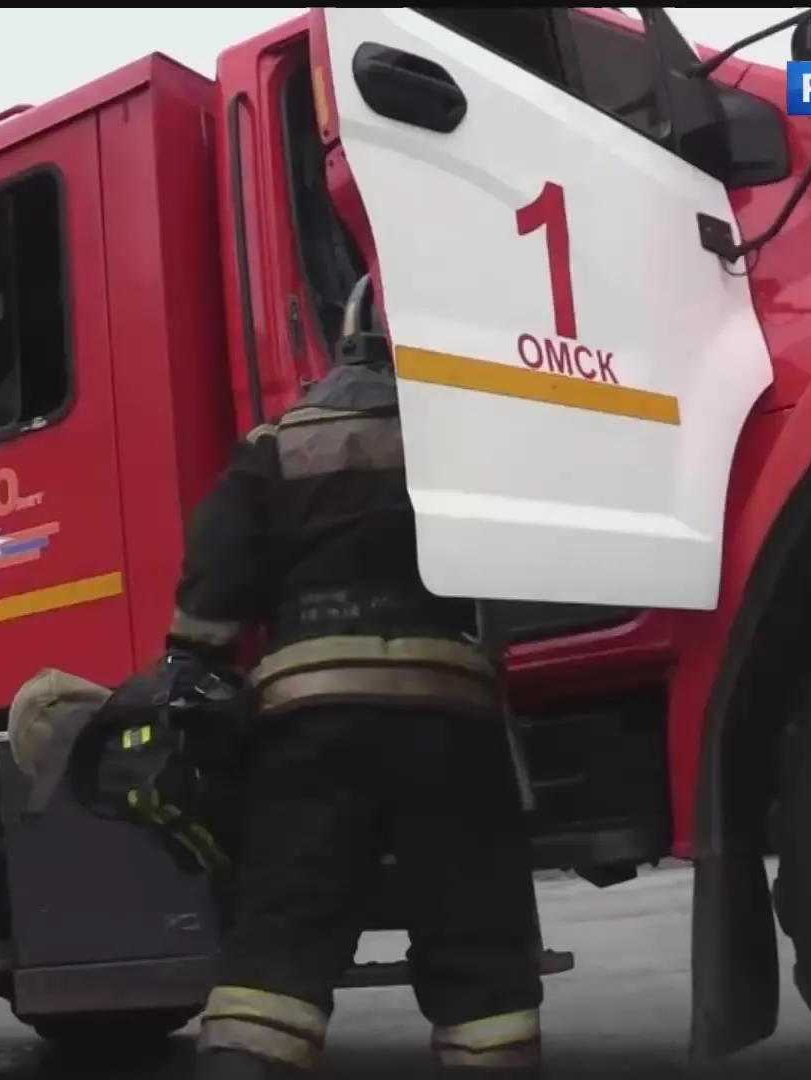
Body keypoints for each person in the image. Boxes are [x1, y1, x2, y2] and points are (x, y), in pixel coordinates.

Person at [160, 276, 547, 1078]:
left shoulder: (277, 444)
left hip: (311, 721)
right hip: (450, 719)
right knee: (480, 946)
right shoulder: (460, 439)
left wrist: (194, 662)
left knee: (279, 942)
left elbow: (213, 583)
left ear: (339, 350)